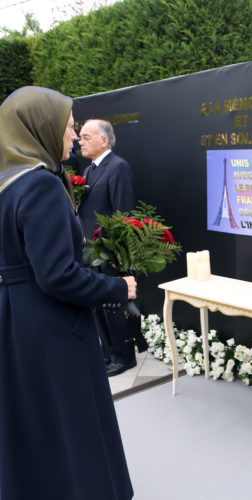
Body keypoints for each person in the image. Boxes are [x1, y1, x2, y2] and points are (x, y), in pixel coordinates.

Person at [0, 86, 135, 499]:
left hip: (15, 319)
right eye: (68, 126)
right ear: (40, 128)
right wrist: (118, 286)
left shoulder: (6, 183)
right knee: (70, 417)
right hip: (50, 325)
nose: (72, 136)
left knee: (33, 419)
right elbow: (58, 276)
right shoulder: (38, 185)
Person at [78, 119, 146, 376]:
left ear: (104, 140)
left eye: (86, 136)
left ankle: (124, 355)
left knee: (113, 307)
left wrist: (120, 254)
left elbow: (124, 214)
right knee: (97, 305)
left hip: (108, 252)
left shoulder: (118, 167)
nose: (80, 141)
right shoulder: (88, 171)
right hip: (90, 251)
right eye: (80, 136)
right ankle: (108, 354)